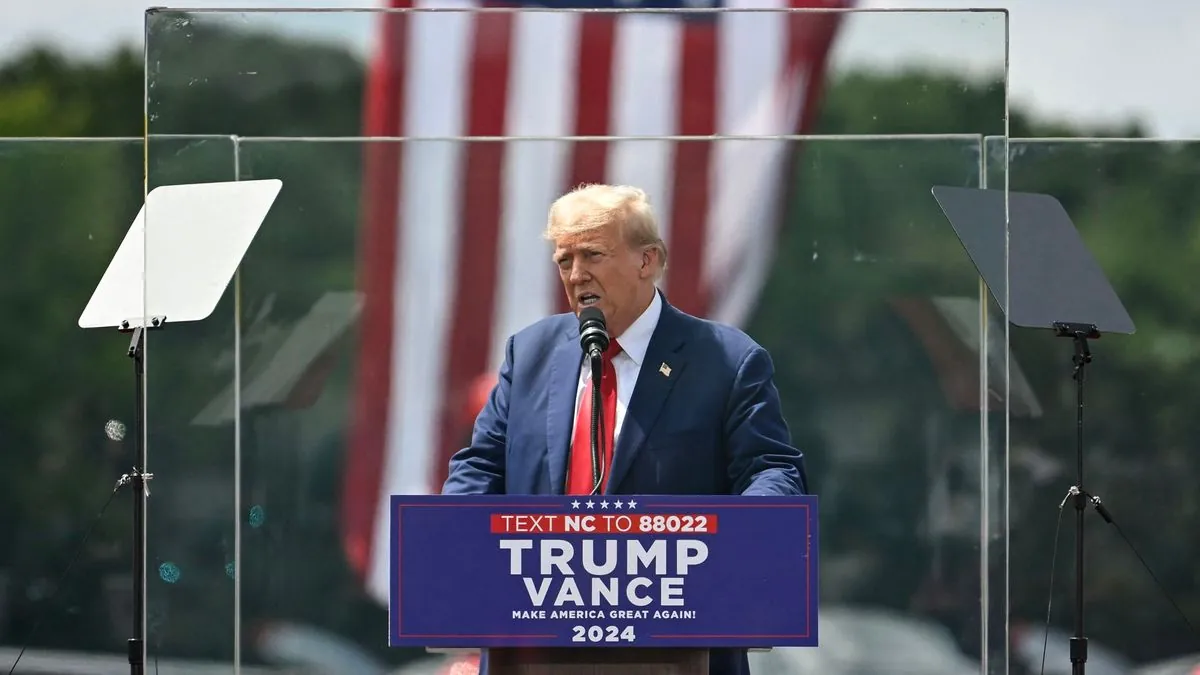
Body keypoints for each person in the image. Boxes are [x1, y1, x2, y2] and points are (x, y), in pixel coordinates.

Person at [442, 183, 807, 675]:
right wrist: (459, 535)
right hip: (533, 644)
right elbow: (480, 464)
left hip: (676, 644)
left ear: (648, 261)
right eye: (563, 260)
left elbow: (772, 471)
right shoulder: (529, 353)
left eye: (592, 254)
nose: (575, 275)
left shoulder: (725, 360)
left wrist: (730, 544)